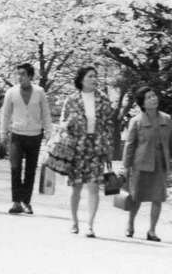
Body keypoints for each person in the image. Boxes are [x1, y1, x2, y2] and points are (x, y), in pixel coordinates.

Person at [59, 66, 114, 237]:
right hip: (76, 147)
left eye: (95, 76)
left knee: (94, 186)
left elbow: (108, 126)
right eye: (90, 76)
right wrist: (69, 124)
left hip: (96, 146)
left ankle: (90, 225)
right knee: (75, 186)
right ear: (81, 79)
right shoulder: (71, 100)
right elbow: (62, 124)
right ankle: (74, 222)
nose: (94, 79)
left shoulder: (103, 100)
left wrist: (108, 148)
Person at [123, 86, 172, 242]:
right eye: (149, 97)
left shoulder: (166, 119)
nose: (153, 99)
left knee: (158, 198)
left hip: (160, 163)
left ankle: (152, 230)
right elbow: (130, 145)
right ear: (142, 103)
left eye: (154, 95)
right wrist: (126, 166)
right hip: (141, 163)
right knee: (136, 197)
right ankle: (130, 224)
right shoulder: (136, 121)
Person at [1, 63, 52, 214]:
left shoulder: (40, 92)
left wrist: (49, 133)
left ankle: (26, 202)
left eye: (23, 74)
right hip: (16, 134)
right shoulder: (11, 92)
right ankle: (16, 201)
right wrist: (3, 133)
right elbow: (5, 114)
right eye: (18, 74)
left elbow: (46, 114)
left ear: (30, 76)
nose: (20, 77)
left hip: (35, 135)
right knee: (15, 168)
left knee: (30, 170)